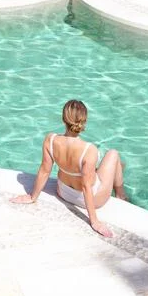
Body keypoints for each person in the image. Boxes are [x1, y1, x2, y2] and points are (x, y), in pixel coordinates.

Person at [11, 100, 128, 238]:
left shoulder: (50, 140)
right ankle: (121, 195)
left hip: (63, 192)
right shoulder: (89, 149)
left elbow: (45, 171)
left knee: (92, 169)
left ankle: (114, 176)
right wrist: (94, 221)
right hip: (91, 199)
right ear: (84, 121)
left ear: (63, 119)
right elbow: (86, 186)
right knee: (113, 154)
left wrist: (33, 197)